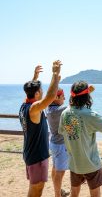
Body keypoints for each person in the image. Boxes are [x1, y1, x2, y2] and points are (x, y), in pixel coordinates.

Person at [58, 81, 102, 197]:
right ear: (87, 96)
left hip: (75, 163)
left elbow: (62, 130)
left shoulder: (65, 113)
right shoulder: (90, 114)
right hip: (91, 164)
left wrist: (100, 120)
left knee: (74, 193)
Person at [19, 61, 62, 197]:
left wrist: (35, 77)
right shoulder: (34, 109)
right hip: (37, 156)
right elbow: (50, 98)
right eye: (40, 91)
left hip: (30, 152)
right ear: (37, 94)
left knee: (35, 187)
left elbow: (31, 92)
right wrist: (55, 74)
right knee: (36, 189)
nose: (43, 92)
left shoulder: (24, 105)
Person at [45, 88, 69, 197]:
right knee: (60, 172)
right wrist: (87, 92)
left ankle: (58, 192)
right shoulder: (59, 110)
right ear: (56, 97)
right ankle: (57, 195)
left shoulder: (49, 108)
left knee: (55, 169)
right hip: (60, 145)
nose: (64, 98)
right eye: (63, 96)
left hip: (54, 143)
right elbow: (75, 105)